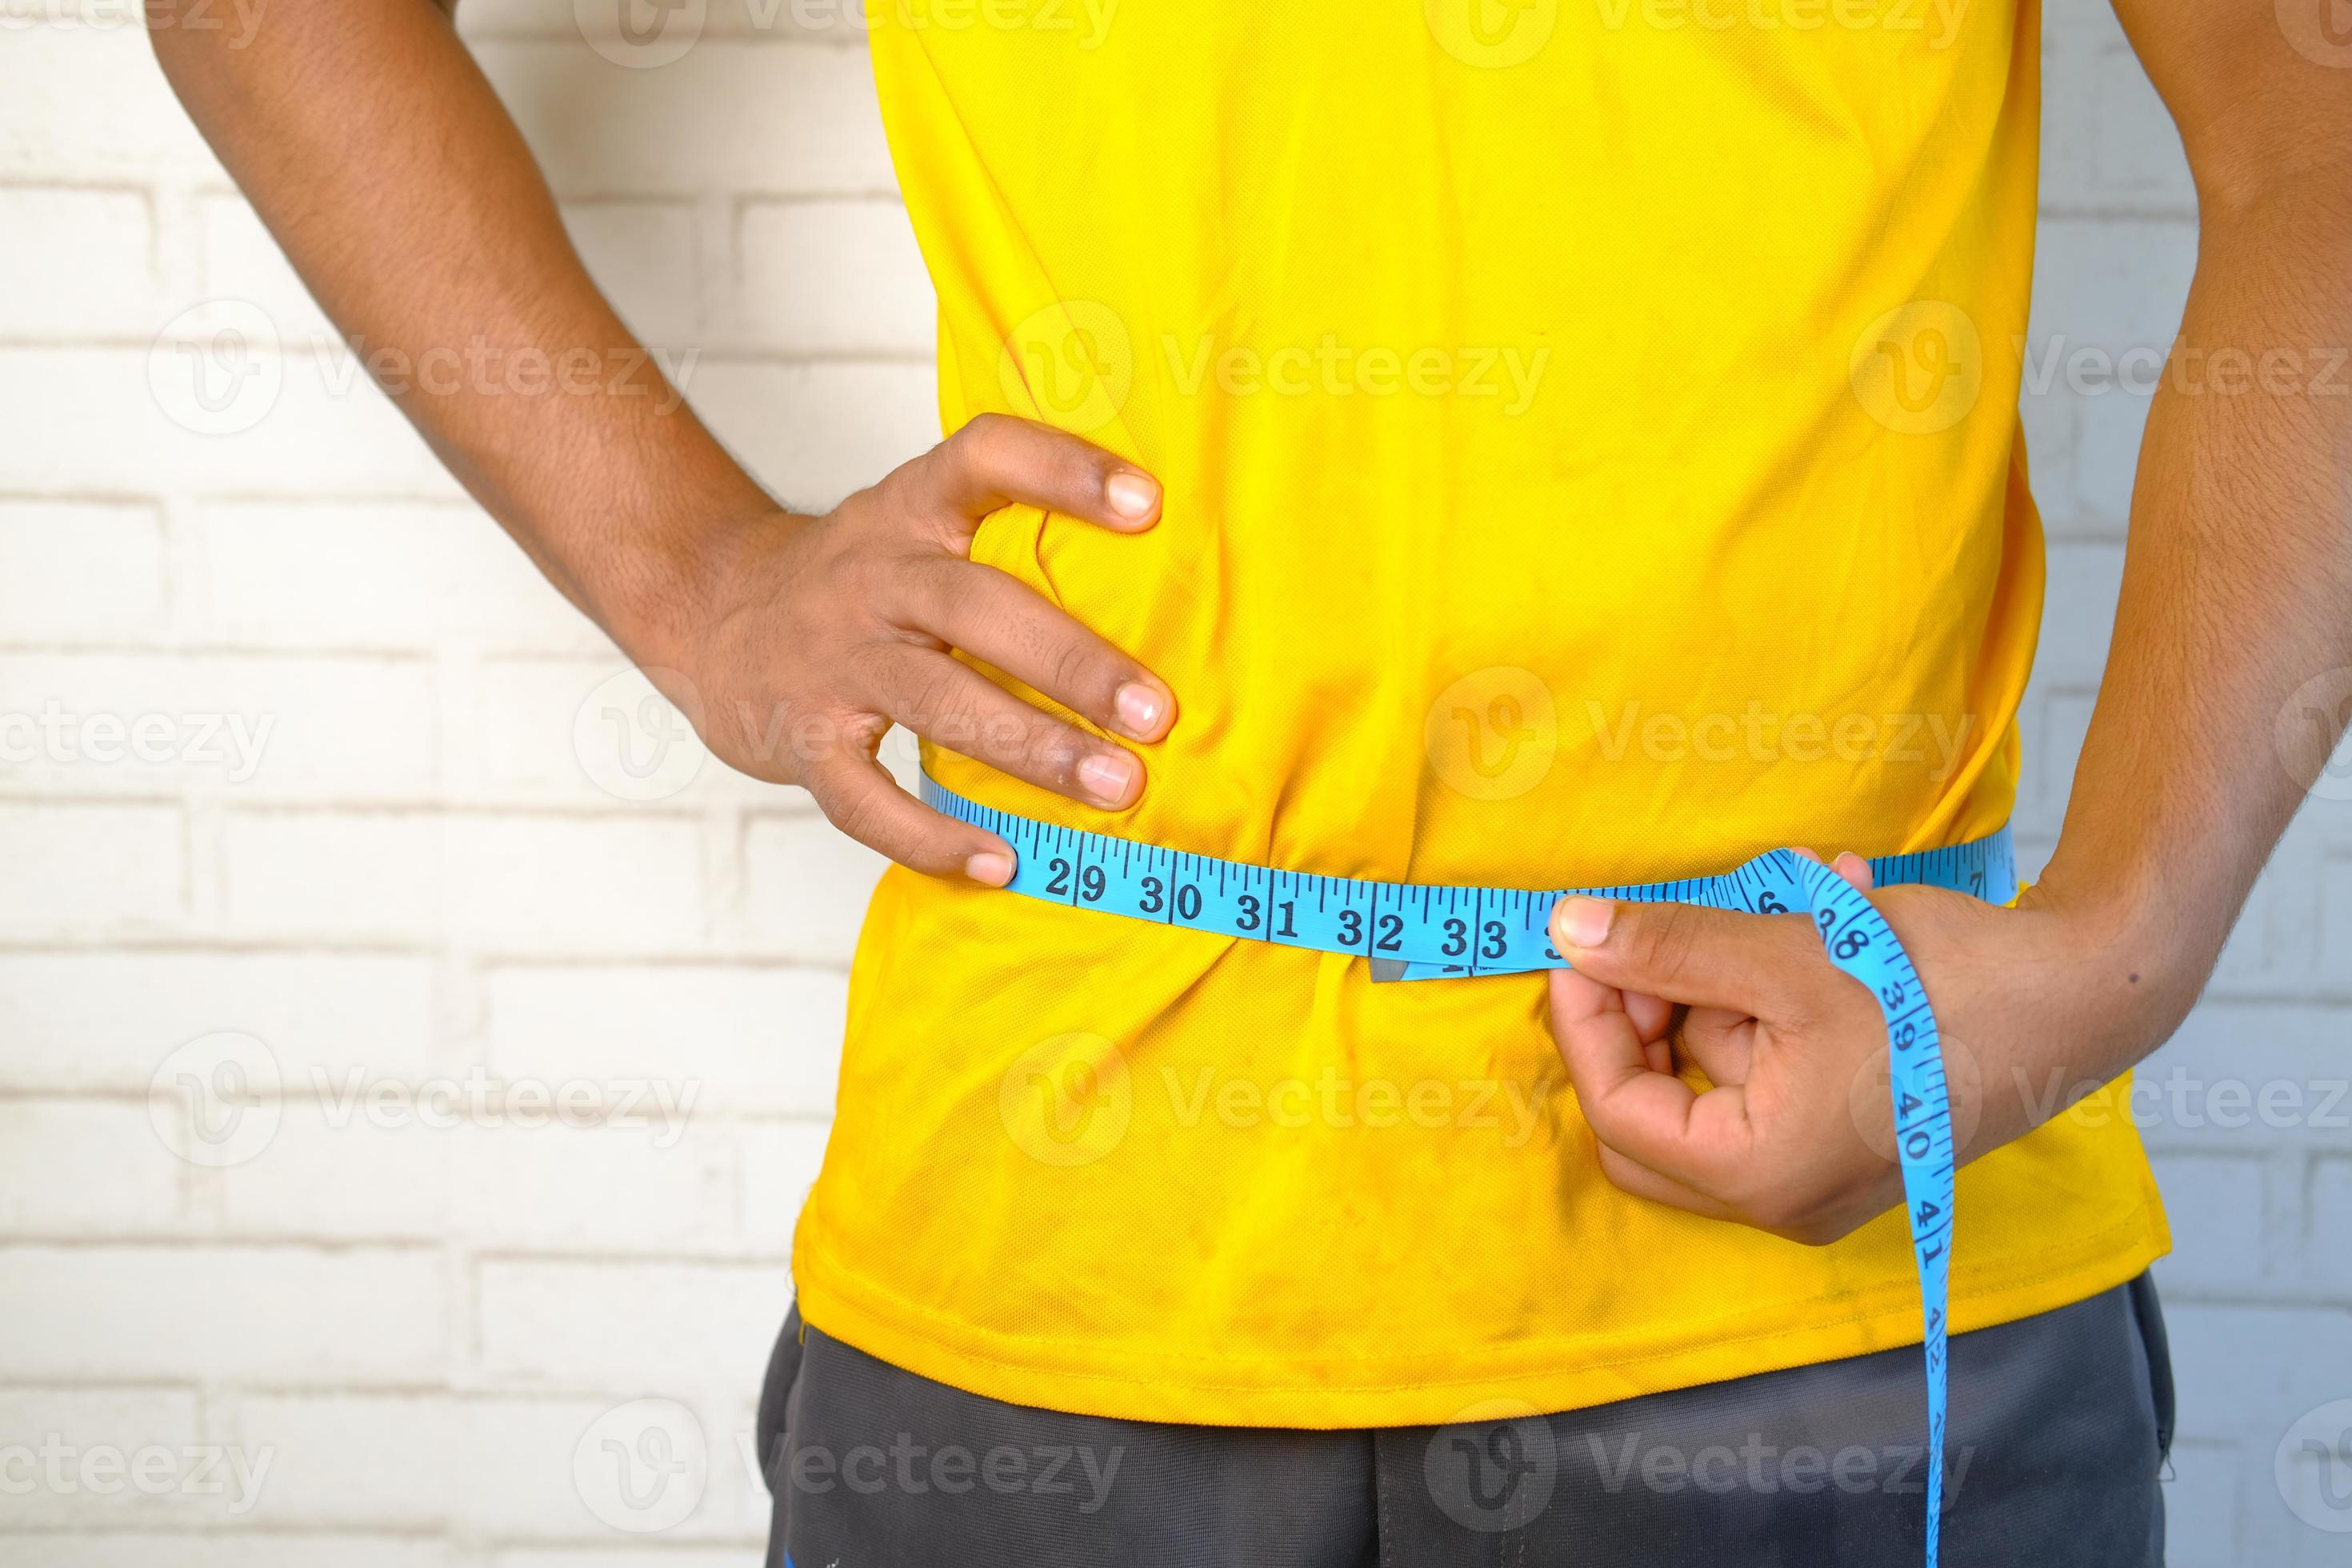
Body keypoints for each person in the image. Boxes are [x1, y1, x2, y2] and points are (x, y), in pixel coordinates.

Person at [154, 0, 2351, 1561]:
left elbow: (2314, 127)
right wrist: (697, 578)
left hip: (1861, 1240)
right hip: (1062, 1253)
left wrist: (2126, 939)